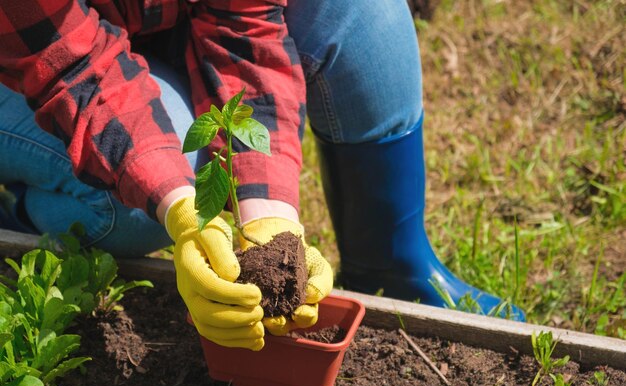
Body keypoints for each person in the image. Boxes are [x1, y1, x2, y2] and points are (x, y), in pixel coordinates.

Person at [0, 0, 524, 350]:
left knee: (360, 16)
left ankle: (392, 265)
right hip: (28, 59)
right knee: (141, 203)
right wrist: (180, 207)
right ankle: (19, 210)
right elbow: (75, 70)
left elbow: (243, 30)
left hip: (146, 28)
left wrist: (270, 215)